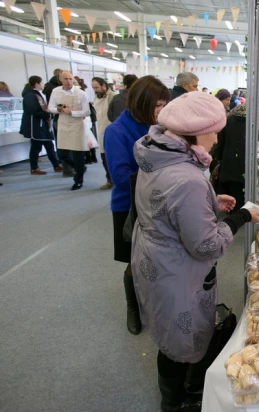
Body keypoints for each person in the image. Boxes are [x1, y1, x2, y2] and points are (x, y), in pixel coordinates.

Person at [131, 92, 259, 411]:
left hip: (154, 257)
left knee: (168, 331)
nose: (218, 138)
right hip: (178, 270)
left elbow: (164, 202)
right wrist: (241, 216)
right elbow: (207, 245)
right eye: (214, 130)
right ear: (193, 131)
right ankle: (174, 402)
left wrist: (207, 204)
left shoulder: (157, 153)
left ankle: (175, 394)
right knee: (181, 337)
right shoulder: (187, 177)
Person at [103, 76, 170, 336]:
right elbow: (120, 177)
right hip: (129, 206)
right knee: (133, 261)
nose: (161, 111)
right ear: (142, 102)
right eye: (157, 105)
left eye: (164, 105)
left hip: (161, 202)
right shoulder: (117, 131)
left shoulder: (161, 126)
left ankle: (156, 304)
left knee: (160, 256)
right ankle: (133, 307)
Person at [48, 71, 91, 191]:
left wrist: (72, 112)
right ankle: (80, 168)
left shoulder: (81, 93)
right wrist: (58, 109)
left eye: (70, 79)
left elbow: (87, 112)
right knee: (62, 154)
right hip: (63, 124)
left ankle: (78, 180)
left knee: (78, 154)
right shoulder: (56, 91)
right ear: (60, 80)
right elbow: (50, 107)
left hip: (77, 125)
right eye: (66, 79)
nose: (69, 81)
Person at [19, 76, 63, 175]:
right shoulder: (30, 95)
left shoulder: (36, 94)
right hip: (36, 125)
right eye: (42, 82)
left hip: (42, 125)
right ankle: (34, 168)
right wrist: (48, 115)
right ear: (36, 83)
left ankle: (56, 165)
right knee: (36, 147)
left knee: (49, 145)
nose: (43, 84)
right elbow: (34, 110)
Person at [210, 104, 247, 211]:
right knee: (239, 187)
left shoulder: (228, 120)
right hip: (243, 161)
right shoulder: (250, 122)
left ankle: (230, 208)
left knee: (230, 185)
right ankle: (238, 209)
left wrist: (217, 159)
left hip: (228, 159)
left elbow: (220, 143)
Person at [92, 77, 115, 190]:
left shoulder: (113, 97)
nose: (95, 90)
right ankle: (109, 180)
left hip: (112, 131)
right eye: (93, 88)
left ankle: (116, 180)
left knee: (113, 157)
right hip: (100, 129)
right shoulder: (96, 98)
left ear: (104, 86)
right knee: (103, 157)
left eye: (96, 87)